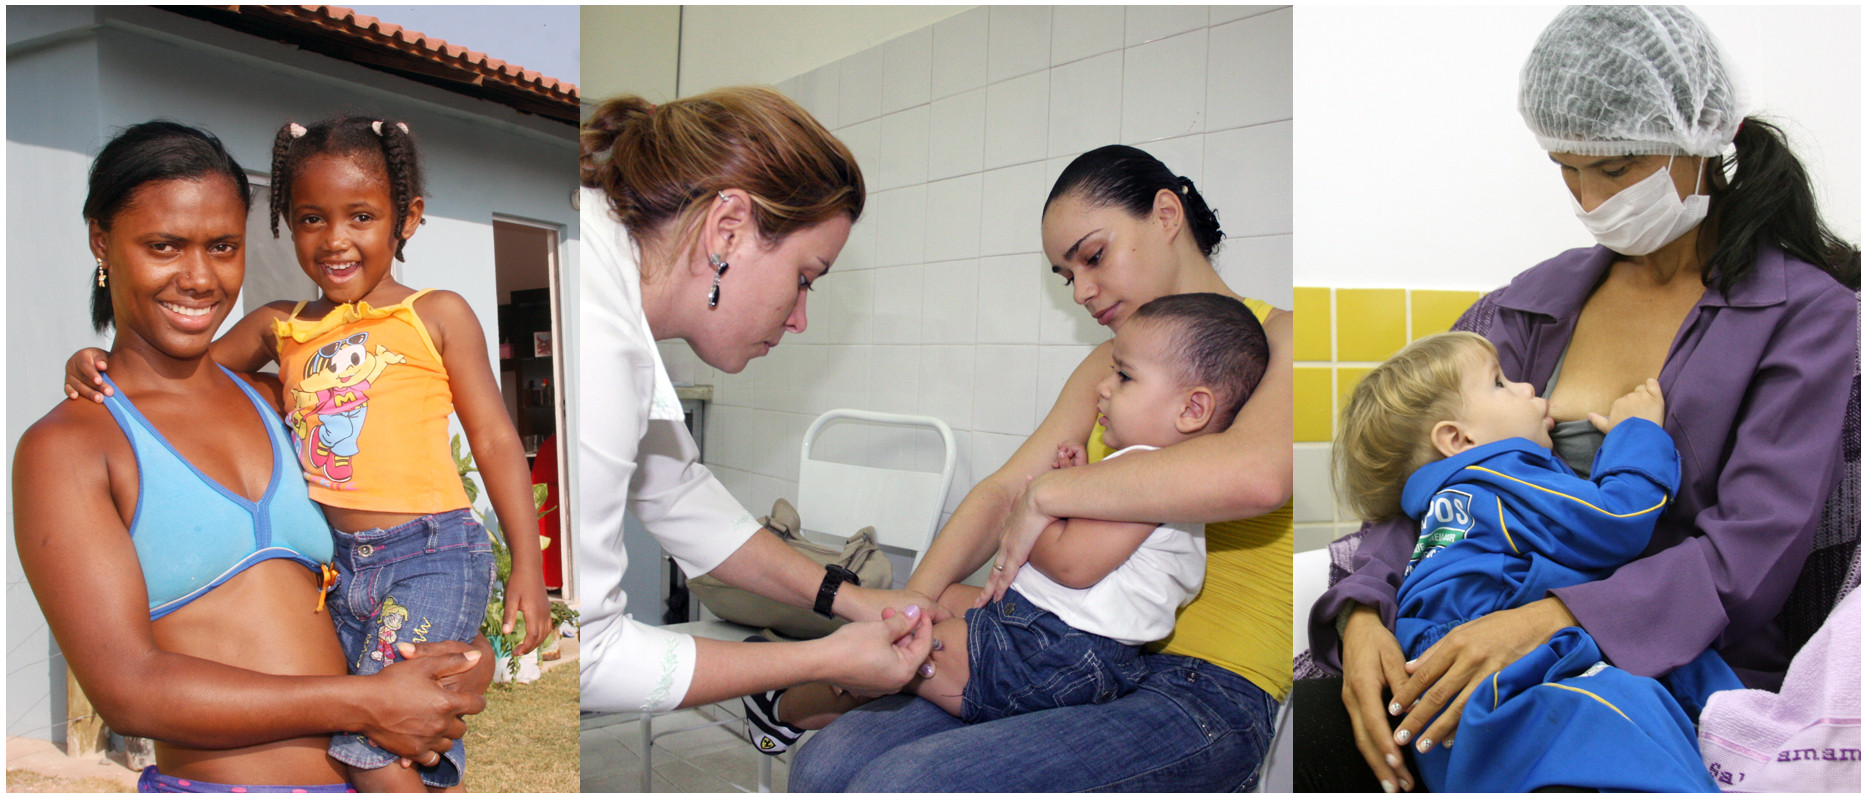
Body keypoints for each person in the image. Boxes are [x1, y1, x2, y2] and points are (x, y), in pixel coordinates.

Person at [1300, 7, 1860, 793]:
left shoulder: (1805, 316)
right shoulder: (1527, 307)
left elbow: (1749, 559)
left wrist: (1547, 619)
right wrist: (1360, 616)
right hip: (1480, 652)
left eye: (1616, 167)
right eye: (1566, 166)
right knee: (1317, 738)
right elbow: (1434, 487)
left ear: (1701, 138)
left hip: (1660, 676)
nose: (1589, 197)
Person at [788, 144, 1295, 793]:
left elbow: (1255, 474)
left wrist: (1055, 489)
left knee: (907, 783)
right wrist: (913, 602)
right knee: (825, 763)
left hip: (1208, 690)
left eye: (1093, 255)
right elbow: (1005, 490)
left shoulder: (1281, 338)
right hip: (1078, 651)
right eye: (1065, 275)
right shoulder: (1109, 365)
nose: (1082, 290)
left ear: (1166, 214)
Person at [64, 115, 549, 792]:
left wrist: (523, 571)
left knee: (374, 753)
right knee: (380, 737)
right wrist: (94, 365)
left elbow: (494, 437)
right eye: (311, 219)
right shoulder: (279, 330)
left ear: (406, 218)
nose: (336, 239)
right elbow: (180, 375)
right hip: (346, 576)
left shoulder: (428, 317)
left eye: (360, 216)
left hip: (428, 549)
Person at [743, 293, 1270, 747]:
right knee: (934, 602)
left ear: (1193, 410)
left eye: (1125, 376)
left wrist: (1033, 509)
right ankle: (802, 684)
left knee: (899, 647)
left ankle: (787, 701)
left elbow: (1071, 565)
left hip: (1056, 654)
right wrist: (1076, 489)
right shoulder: (1139, 471)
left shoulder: (1154, 477)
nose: (1104, 389)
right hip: (1048, 634)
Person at [575, 87, 946, 715]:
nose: (801, 318)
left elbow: (674, 493)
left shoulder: (604, 279)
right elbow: (588, 658)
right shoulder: (599, 340)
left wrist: (851, 599)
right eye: (805, 278)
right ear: (728, 231)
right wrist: (825, 658)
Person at [1335, 331, 1737, 792]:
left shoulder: (1438, 506)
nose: (1527, 387)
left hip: (1433, 692)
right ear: (1458, 438)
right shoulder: (1503, 475)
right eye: (1501, 383)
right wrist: (1637, 434)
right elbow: (1618, 518)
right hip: (1496, 669)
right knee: (1635, 704)